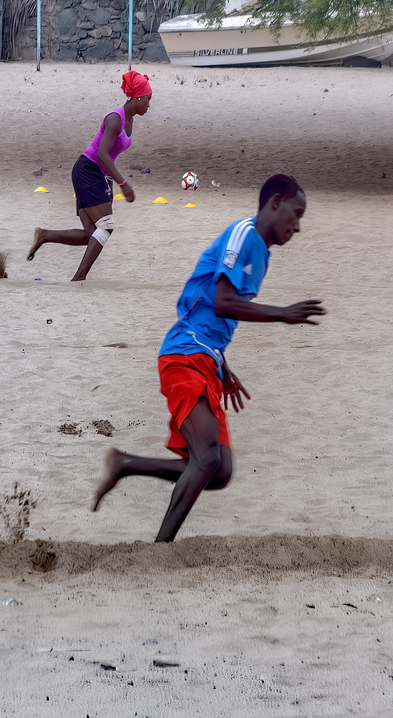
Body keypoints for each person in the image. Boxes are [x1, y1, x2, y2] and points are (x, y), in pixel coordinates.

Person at [92, 176, 325, 541]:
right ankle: (160, 548)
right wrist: (282, 313)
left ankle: (125, 464)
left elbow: (216, 313)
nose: (298, 226)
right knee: (208, 459)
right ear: (275, 203)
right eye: (296, 214)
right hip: (184, 354)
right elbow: (222, 302)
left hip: (206, 357)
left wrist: (224, 364)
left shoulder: (261, 252)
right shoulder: (243, 234)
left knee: (220, 471)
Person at [29, 71, 152, 281]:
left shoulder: (130, 120)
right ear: (137, 97)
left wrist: (110, 185)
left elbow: (109, 157)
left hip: (97, 172)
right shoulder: (115, 119)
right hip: (87, 170)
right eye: (148, 99)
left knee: (91, 233)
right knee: (106, 226)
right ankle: (79, 277)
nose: (149, 104)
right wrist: (123, 183)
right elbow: (102, 154)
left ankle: (44, 235)